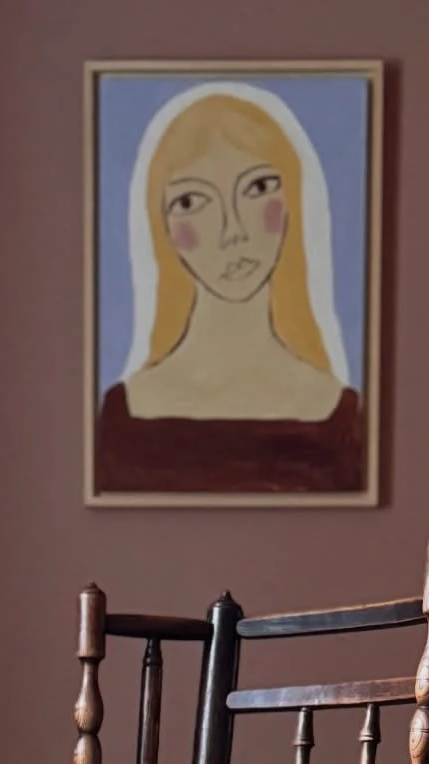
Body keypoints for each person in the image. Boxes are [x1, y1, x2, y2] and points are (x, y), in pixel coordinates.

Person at [96, 84, 365, 495]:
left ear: (294, 198)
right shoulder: (123, 415)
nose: (232, 232)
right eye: (191, 202)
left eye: (257, 189)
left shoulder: (338, 414)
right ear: (161, 225)